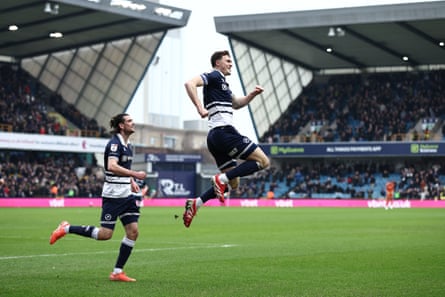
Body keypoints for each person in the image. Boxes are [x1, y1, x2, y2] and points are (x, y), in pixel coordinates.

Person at [49, 113, 147, 282]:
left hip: (127, 195)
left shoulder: (128, 145)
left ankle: (117, 272)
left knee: (133, 231)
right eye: (129, 121)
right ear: (121, 126)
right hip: (113, 196)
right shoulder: (115, 144)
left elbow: (122, 166)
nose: (133, 123)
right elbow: (112, 166)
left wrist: (131, 181)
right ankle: (66, 228)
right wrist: (134, 173)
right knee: (105, 234)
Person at [182, 50, 270, 227]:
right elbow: (190, 83)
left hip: (214, 137)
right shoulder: (214, 75)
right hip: (224, 132)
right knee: (263, 161)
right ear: (217, 63)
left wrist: (253, 94)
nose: (231, 64)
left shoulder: (223, 84)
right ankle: (220, 179)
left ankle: (196, 204)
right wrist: (200, 108)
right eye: (227, 61)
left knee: (234, 183)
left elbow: (237, 104)